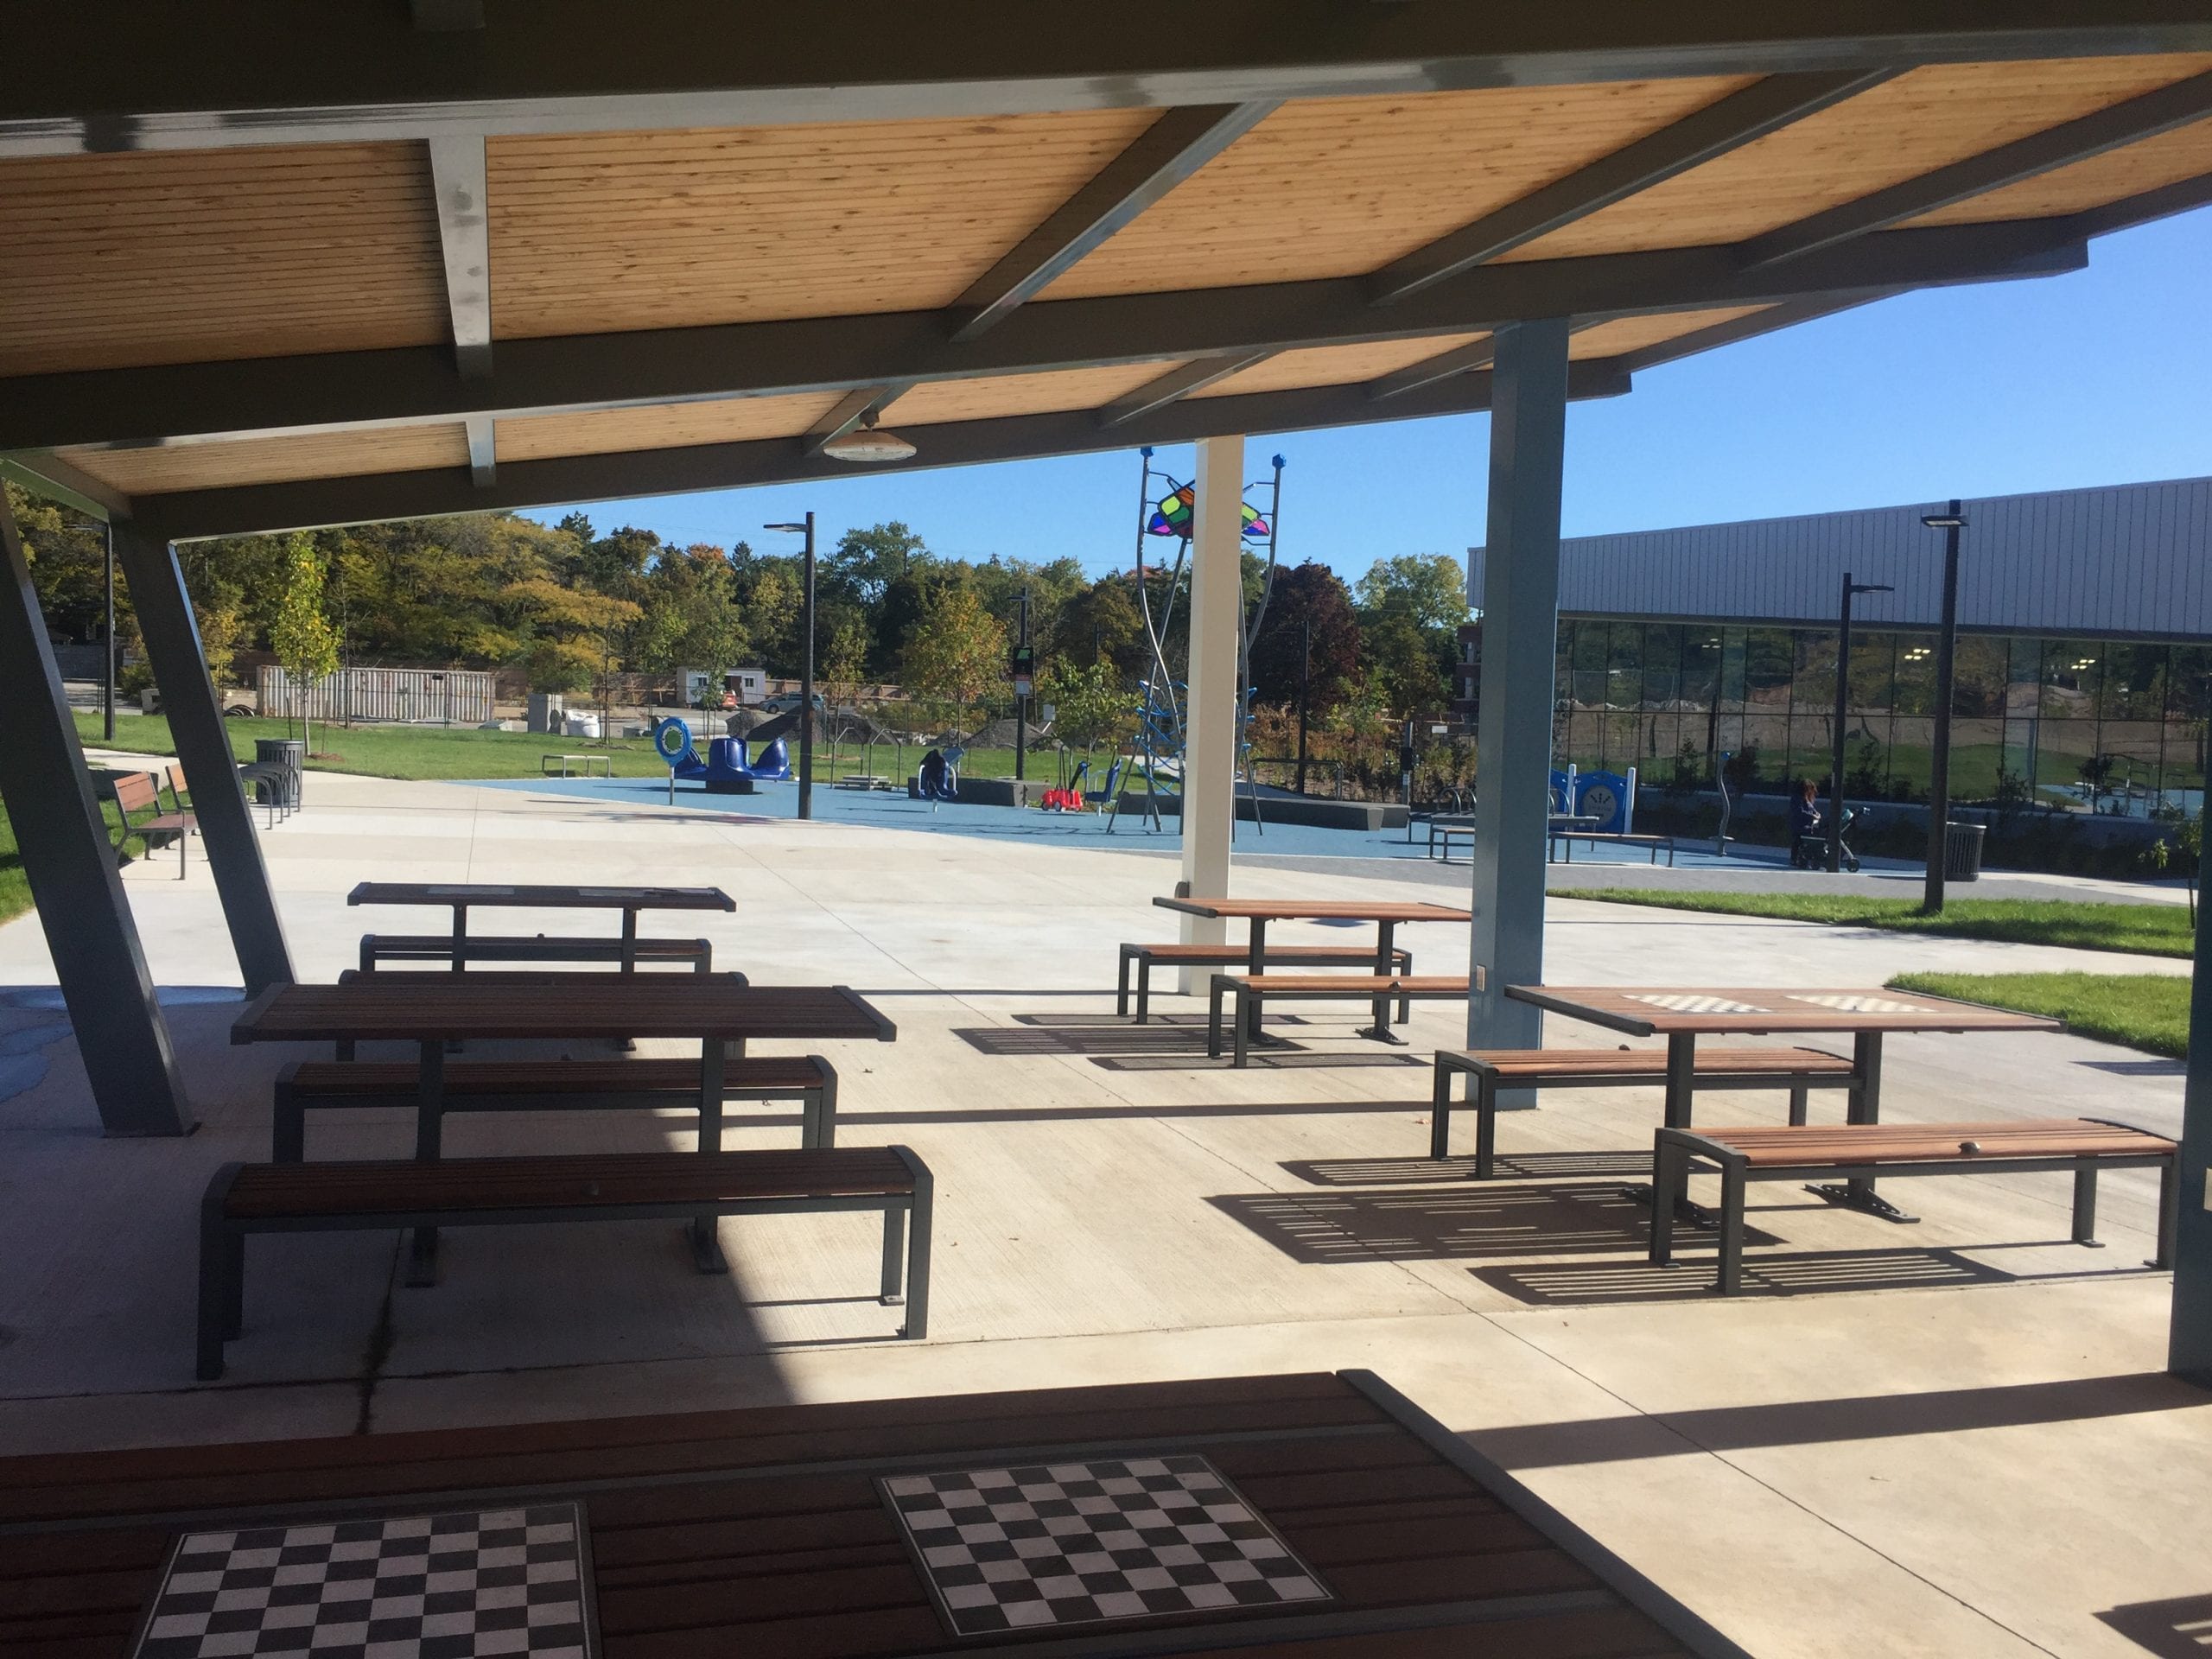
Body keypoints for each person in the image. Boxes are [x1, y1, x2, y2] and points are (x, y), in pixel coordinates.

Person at [1789, 779, 1824, 868]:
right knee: (1798, 841)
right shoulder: (1797, 798)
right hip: (1800, 825)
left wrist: (1816, 813)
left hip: (1807, 825)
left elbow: (1811, 809)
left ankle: (1805, 858)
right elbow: (1799, 812)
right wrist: (1813, 816)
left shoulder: (1806, 799)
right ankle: (1796, 859)